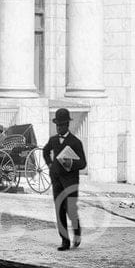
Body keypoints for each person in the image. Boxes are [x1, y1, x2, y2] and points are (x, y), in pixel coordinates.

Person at [42, 107, 87, 250]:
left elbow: (83, 163)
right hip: (57, 181)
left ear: (67, 125)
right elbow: (45, 151)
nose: (59, 128)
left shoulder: (75, 142)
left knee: (71, 210)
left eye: (61, 125)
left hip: (71, 182)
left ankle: (77, 232)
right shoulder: (53, 140)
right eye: (57, 125)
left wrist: (71, 163)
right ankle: (65, 241)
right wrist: (50, 164)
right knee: (59, 210)